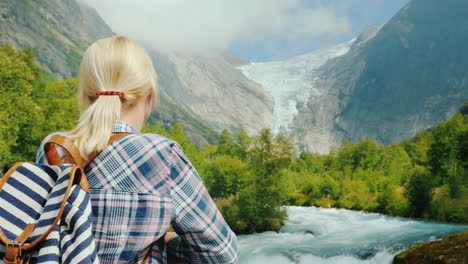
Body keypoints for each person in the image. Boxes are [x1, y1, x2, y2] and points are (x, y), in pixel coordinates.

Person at [35, 36, 239, 264]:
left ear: (85, 91)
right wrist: (163, 241)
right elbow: (222, 254)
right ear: (150, 88)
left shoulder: (54, 148)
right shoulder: (161, 154)